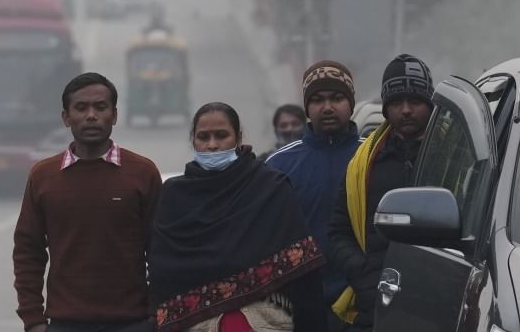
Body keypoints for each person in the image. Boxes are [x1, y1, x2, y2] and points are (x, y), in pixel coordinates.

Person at [150, 102, 328, 332]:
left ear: (238, 137)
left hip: (266, 321)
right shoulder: (174, 197)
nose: (212, 145)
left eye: (222, 135)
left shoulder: (270, 188)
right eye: (204, 137)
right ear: (193, 139)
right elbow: (163, 275)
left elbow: (301, 273)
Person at [13, 72, 163, 332]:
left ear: (114, 115)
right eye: (81, 108)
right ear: (66, 117)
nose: (91, 115)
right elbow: (28, 251)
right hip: (64, 323)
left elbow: (161, 250)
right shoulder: (44, 176)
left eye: (100, 107)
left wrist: (153, 315)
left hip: (133, 322)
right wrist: (34, 320)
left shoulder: (143, 172)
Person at [329, 54, 435, 330]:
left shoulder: (452, 155)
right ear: (386, 109)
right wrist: (364, 277)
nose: (406, 110)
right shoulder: (364, 163)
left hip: (439, 298)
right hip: (376, 304)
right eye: (397, 102)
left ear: (430, 104)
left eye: (415, 101)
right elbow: (338, 233)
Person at [266, 62, 362, 308]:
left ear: (351, 103)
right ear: (307, 107)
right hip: (300, 302)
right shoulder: (278, 165)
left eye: (337, 98)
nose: (327, 107)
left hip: (363, 298)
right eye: (318, 99)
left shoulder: (374, 156)